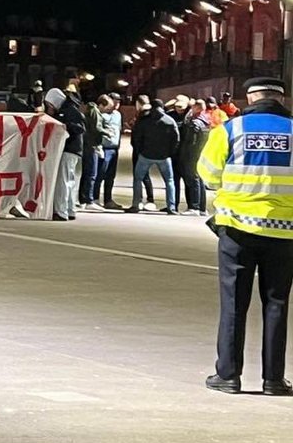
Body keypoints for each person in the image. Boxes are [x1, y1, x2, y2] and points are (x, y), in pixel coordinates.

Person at [200, 77, 293, 395]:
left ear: (251, 98)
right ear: (281, 99)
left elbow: (208, 174)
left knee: (234, 304)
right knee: (277, 303)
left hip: (237, 228)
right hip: (285, 231)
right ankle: (273, 380)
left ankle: (227, 376)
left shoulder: (229, 130)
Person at [125, 96, 179, 214]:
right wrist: (170, 152)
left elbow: (137, 137)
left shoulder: (144, 120)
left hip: (146, 155)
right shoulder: (169, 121)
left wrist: (140, 150)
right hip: (164, 156)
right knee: (169, 181)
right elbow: (176, 139)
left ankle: (136, 204)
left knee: (138, 178)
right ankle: (172, 207)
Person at [44, 87, 85, 221]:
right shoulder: (69, 108)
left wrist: (65, 125)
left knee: (63, 181)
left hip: (69, 149)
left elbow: (80, 128)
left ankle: (61, 211)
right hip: (73, 149)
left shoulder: (68, 111)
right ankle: (70, 209)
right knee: (69, 181)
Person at [176, 99, 211, 215]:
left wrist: (184, 153)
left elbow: (190, 141)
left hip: (192, 155)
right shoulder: (206, 121)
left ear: (197, 108)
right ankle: (202, 208)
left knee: (192, 179)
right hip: (201, 153)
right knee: (199, 179)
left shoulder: (195, 123)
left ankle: (193, 207)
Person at [93, 93, 124, 209]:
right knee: (100, 174)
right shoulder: (101, 114)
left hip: (114, 148)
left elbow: (119, 130)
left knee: (110, 176)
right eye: (115, 101)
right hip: (104, 148)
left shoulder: (118, 115)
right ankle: (95, 198)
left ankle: (108, 199)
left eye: (119, 101)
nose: (117, 104)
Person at [79, 96, 111, 209]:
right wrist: (107, 132)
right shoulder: (95, 112)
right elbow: (96, 128)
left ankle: (83, 199)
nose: (107, 111)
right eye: (107, 108)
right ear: (102, 104)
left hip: (88, 145)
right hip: (91, 145)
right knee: (92, 173)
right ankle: (89, 200)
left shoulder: (91, 110)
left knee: (87, 173)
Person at [129, 95, 157, 210]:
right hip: (141, 148)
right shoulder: (147, 114)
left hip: (140, 150)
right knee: (143, 176)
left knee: (141, 176)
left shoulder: (143, 115)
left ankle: (144, 200)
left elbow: (141, 133)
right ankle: (146, 199)